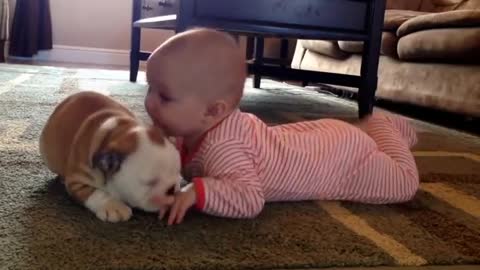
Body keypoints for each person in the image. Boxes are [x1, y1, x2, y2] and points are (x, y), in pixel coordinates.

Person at [144, 28, 419, 226]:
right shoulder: (192, 130)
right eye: (149, 89)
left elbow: (250, 198)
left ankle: (384, 127)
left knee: (404, 183)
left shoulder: (224, 149)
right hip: (321, 140)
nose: (150, 103)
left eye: (164, 96)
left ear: (213, 110)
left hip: (344, 163)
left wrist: (196, 191)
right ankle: (369, 132)